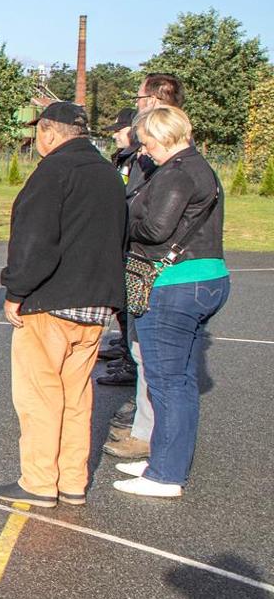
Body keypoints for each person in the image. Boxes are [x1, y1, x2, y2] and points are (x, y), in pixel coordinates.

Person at [0, 101, 125, 508]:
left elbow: (34, 241)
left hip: (51, 302)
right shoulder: (109, 173)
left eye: (38, 133)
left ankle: (40, 481)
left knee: (39, 395)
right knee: (76, 396)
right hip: (96, 304)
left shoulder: (53, 171)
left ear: (48, 132)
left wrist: (15, 291)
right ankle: (73, 480)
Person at [112, 105, 228, 499]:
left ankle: (165, 474)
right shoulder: (201, 168)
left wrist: (123, 220)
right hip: (207, 277)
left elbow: (156, 229)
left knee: (167, 383)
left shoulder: (177, 173)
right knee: (180, 381)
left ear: (164, 138)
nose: (144, 151)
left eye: (147, 144)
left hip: (173, 284)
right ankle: (165, 460)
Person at [103, 73, 188, 456]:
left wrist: (120, 225)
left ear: (153, 101)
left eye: (139, 99)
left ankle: (153, 439)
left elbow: (155, 223)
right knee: (142, 351)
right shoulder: (154, 157)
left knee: (156, 358)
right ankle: (145, 425)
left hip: (158, 270)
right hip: (143, 264)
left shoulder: (175, 163)